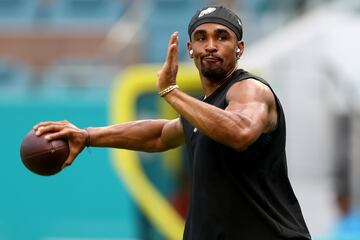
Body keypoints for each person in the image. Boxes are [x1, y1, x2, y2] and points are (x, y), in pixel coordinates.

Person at [34, 5, 311, 240]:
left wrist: (171, 91)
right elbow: (161, 135)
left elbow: (240, 131)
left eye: (222, 37)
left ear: (239, 48)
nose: (210, 46)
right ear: (190, 49)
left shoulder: (250, 89)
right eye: (201, 38)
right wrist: (88, 135)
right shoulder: (205, 109)